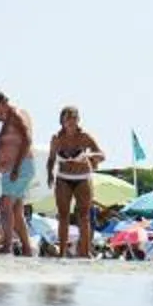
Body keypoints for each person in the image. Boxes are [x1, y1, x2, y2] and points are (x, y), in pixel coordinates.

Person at [0, 89, 36, 256]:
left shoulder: (16, 115)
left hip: (20, 167)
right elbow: (14, 145)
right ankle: (26, 248)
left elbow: (27, 140)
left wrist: (17, 167)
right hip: (13, 168)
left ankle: (7, 246)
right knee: (16, 211)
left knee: (4, 205)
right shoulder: (9, 119)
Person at [47, 105, 103, 258]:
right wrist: (49, 175)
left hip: (82, 177)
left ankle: (85, 252)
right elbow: (51, 159)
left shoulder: (85, 137)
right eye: (68, 118)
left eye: (74, 118)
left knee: (84, 216)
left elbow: (101, 154)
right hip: (63, 177)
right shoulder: (56, 138)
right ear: (62, 121)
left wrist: (90, 156)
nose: (71, 121)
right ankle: (62, 252)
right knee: (63, 215)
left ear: (78, 120)